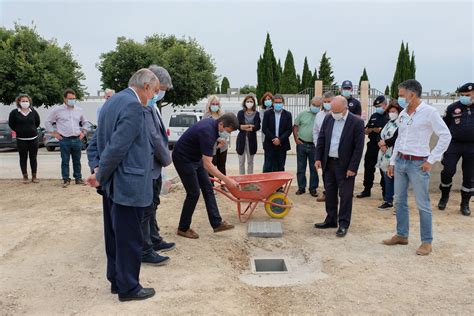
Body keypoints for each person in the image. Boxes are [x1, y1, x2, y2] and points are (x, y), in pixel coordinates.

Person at [86, 68, 159, 301]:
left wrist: (98, 169)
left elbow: (96, 142)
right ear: (146, 86)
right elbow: (117, 146)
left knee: (114, 236)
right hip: (128, 184)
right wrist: (99, 175)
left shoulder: (112, 101)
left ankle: (117, 281)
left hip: (113, 184)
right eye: (155, 91)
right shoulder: (133, 106)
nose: (154, 96)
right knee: (129, 238)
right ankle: (129, 287)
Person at [383, 79, 451, 256]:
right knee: (399, 200)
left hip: (418, 164)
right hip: (400, 162)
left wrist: (432, 159)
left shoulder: (429, 112)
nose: (399, 98)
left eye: (402, 95)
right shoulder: (404, 113)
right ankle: (401, 234)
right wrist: (392, 162)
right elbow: (399, 139)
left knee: (423, 204)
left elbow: (445, 135)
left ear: (412, 94)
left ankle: (427, 242)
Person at [172, 113, 239, 239]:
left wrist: (218, 139)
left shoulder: (212, 125)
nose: (227, 134)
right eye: (227, 131)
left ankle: (217, 223)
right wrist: (226, 180)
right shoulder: (207, 132)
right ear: (221, 124)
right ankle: (183, 228)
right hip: (183, 159)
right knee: (193, 193)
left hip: (195, 158)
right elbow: (208, 165)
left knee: (208, 188)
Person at [138, 64, 176, 266]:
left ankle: (154, 239)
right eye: (160, 90)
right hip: (148, 167)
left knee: (153, 206)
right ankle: (145, 248)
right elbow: (154, 137)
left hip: (154, 168)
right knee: (146, 210)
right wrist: (167, 158)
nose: (160, 94)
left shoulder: (153, 106)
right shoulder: (144, 107)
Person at [314, 96, 365, 237]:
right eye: (332, 111)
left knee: (345, 195)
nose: (334, 114)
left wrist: (353, 168)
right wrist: (318, 157)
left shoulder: (356, 122)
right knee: (329, 192)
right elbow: (321, 139)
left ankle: (343, 223)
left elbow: (358, 148)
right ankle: (331, 219)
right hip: (328, 163)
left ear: (345, 108)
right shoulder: (328, 118)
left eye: (337, 111)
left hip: (345, 165)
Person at [438, 82, 474, 216]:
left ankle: (465, 204)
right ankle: (444, 196)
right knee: (448, 170)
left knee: (469, 176)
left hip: (472, 146)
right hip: (454, 144)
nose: (464, 97)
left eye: (467, 95)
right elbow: (444, 127)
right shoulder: (453, 108)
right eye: (462, 95)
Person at [45, 88, 88, 188]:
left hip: (77, 139)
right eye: (70, 98)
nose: (72, 100)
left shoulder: (79, 110)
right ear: (64, 99)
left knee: (77, 160)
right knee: (65, 160)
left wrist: (84, 132)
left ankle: (78, 178)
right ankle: (66, 179)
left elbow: (85, 122)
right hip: (64, 139)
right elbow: (47, 122)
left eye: (74, 98)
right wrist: (54, 133)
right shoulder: (57, 110)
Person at [357, 95, 389, 198]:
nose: (378, 108)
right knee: (368, 168)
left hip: (384, 147)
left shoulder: (389, 116)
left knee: (383, 169)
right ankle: (367, 189)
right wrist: (368, 130)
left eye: (379, 106)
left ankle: (385, 192)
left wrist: (378, 130)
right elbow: (366, 129)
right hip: (372, 146)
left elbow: (390, 131)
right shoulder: (374, 115)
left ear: (385, 105)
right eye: (376, 106)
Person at [8, 94, 41, 183]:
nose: (25, 102)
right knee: (23, 158)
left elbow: (37, 123)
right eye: (23, 101)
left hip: (33, 139)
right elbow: (11, 124)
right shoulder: (14, 113)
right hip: (21, 140)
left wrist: (31, 130)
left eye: (27, 101)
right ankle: (25, 176)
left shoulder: (33, 112)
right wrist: (20, 130)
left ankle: (34, 176)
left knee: (33, 158)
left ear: (29, 102)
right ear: (19, 102)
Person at [376, 102, 402, 210]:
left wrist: (386, 143)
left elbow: (398, 137)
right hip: (384, 153)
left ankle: (398, 203)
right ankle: (388, 200)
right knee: (387, 178)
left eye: (394, 112)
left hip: (394, 153)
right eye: (390, 112)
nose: (391, 113)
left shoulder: (400, 123)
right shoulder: (388, 123)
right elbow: (380, 134)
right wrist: (380, 143)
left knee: (394, 178)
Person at [293, 96, 321, 196]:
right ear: (310, 104)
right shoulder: (302, 114)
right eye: (314, 105)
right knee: (301, 167)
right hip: (302, 144)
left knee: (314, 168)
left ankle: (313, 188)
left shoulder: (321, 115)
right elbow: (295, 126)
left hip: (314, 146)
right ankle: (301, 188)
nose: (316, 107)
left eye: (318, 106)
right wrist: (296, 138)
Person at [312, 92, 334, 202]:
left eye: (329, 101)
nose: (326, 104)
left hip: (335, 149)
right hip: (322, 149)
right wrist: (318, 145)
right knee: (325, 172)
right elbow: (315, 131)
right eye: (325, 102)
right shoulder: (319, 115)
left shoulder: (337, 114)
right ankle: (327, 193)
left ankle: (336, 193)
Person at [262, 94, 293, 173]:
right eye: (276, 102)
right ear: (273, 103)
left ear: (283, 103)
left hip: (282, 145)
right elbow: (264, 128)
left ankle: (279, 185)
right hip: (269, 144)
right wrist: (274, 139)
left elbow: (289, 130)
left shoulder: (288, 115)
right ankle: (268, 185)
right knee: (267, 167)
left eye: (280, 102)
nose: (278, 104)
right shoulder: (267, 114)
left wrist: (280, 139)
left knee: (280, 167)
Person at [204, 95, 229, 176]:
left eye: (216, 104)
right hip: (211, 145)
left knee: (221, 166)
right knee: (211, 166)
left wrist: (223, 139)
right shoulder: (206, 116)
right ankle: (211, 186)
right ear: (209, 105)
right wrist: (218, 139)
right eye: (213, 104)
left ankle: (223, 184)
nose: (215, 106)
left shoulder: (223, 115)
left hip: (223, 146)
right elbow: (206, 131)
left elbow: (227, 130)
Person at [236, 95, 261, 175]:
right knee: (241, 161)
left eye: (251, 101)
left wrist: (244, 126)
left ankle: (250, 179)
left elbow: (257, 126)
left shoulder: (257, 114)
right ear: (244, 103)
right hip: (241, 140)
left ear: (254, 103)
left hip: (252, 140)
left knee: (250, 162)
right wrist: (250, 126)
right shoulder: (240, 113)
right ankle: (242, 179)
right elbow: (238, 126)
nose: (249, 103)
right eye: (248, 101)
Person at [260, 92, 274, 171]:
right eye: (266, 99)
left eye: (269, 99)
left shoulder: (275, 110)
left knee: (274, 159)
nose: (267, 101)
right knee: (267, 159)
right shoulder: (262, 111)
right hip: (265, 138)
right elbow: (264, 124)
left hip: (275, 138)